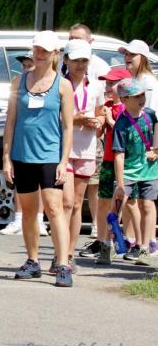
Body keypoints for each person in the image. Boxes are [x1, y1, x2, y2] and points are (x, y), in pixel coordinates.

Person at [3, 30, 75, 287]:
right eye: (36, 49)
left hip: (50, 155)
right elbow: (10, 121)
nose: (39, 54)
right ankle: (32, 261)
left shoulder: (63, 85)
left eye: (45, 50)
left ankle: (63, 263)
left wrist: (64, 161)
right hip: (22, 155)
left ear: (55, 53)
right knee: (29, 211)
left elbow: (68, 126)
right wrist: (6, 157)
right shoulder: (18, 81)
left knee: (54, 208)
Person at [61, 40, 105, 270]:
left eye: (84, 60)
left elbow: (101, 114)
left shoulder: (96, 86)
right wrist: (75, 119)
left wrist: (98, 121)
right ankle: (60, 253)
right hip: (64, 150)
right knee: (66, 202)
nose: (80, 65)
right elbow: (55, 117)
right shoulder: (60, 84)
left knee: (77, 203)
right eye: (76, 60)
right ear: (66, 60)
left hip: (87, 150)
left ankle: (69, 255)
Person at [1, 50, 49, 237]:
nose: (27, 68)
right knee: (19, 181)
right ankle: (18, 218)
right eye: (24, 66)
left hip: (42, 141)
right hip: (21, 139)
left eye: (30, 65)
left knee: (41, 183)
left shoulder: (47, 83)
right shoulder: (18, 83)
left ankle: (39, 220)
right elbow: (11, 115)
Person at [112, 78, 158, 265]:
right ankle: (112, 242)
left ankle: (145, 247)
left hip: (150, 170)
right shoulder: (121, 124)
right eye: (136, 96)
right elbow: (119, 154)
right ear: (124, 100)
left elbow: (157, 129)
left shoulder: (151, 114)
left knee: (147, 205)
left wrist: (156, 149)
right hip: (129, 171)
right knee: (119, 205)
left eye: (143, 95)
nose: (142, 99)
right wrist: (120, 183)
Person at [93, 67, 132, 265]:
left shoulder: (127, 108)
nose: (107, 87)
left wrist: (110, 120)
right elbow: (98, 134)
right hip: (108, 160)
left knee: (118, 204)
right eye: (106, 83)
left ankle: (118, 242)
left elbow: (125, 133)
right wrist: (98, 121)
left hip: (124, 162)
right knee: (103, 201)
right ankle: (101, 241)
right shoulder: (107, 105)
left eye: (111, 83)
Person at [120, 39, 157, 111]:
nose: (127, 57)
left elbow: (150, 113)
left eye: (132, 54)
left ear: (143, 58)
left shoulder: (148, 81)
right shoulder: (134, 79)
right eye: (126, 54)